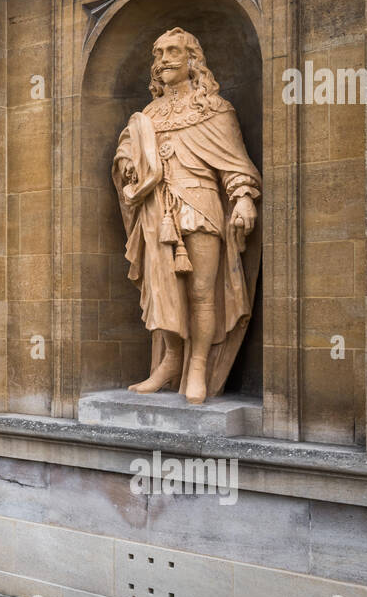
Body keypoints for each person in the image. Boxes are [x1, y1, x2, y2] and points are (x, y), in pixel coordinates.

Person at [112, 28, 261, 405]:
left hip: (200, 205)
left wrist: (243, 197)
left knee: (201, 292)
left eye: (173, 51)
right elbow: (126, 152)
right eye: (158, 52)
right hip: (155, 211)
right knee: (163, 292)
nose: (163, 59)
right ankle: (171, 361)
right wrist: (129, 163)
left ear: (193, 59)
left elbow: (233, 163)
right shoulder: (148, 114)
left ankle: (198, 365)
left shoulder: (215, 109)